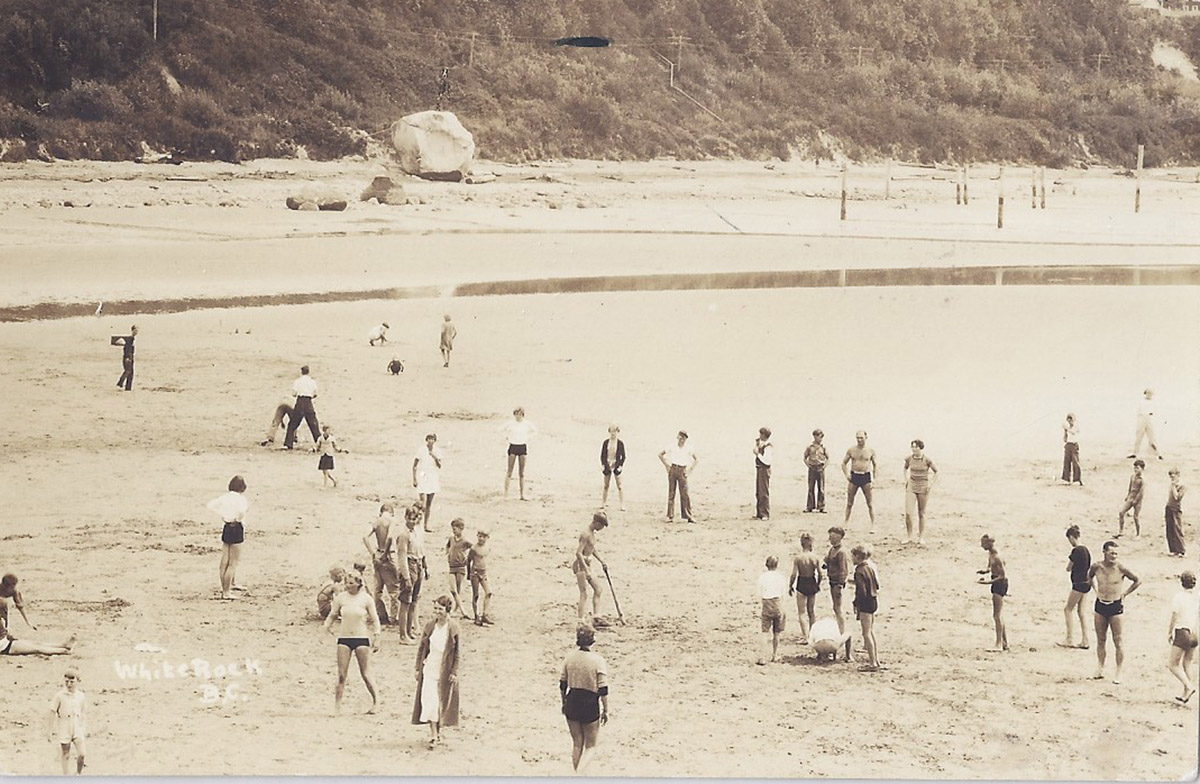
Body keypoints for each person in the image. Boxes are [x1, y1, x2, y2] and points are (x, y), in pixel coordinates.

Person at [322, 570, 381, 714]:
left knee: (365, 674)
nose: (348, 586)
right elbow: (332, 615)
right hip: (344, 638)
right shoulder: (341, 598)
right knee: (341, 675)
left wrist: (377, 636)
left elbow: (375, 619)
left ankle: (376, 702)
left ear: (358, 583)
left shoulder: (366, 599)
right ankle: (337, 707)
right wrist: (325, 629)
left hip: (361, 638)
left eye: (351, 583)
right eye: (346, 583)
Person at [1087, 540, 1142, 684]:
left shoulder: (1121, 568)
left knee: (1118, 640)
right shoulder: (1096, 566)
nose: (1114, 556)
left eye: (1116, 553)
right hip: (1100, 605)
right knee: (1100, 639)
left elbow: (1137, 580)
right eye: (1111, 553)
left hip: (1115, 606)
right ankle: (1100, 668)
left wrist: (1124, 594)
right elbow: (1089, 576)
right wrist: (1095, 590)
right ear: (1104, 552)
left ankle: (1119, 672)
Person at [413, 595, 461, 747]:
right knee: (430, 701)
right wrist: (417, 667)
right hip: (430, 667)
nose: (437, 612)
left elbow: (458, 652)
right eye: (435, 609)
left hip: (445, 668)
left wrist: (454, 671)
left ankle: (438, 731)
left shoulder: (453, 628)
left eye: (440, 609)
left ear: (447, 610)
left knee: (442, 701)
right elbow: (422, 648)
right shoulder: (430, 626)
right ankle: (433, 734)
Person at [560, 623, 609, 772]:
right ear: (592, 640)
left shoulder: (569, 658)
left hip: (572, 700)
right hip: (589, 703)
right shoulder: (597, 661)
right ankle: (578, 776)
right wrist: (606, 709)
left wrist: (564, 702)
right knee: (591, 746)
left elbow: (562, 684)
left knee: (576, 744)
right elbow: (603, 689)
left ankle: (577, 772)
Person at [208, 475, 249, 600]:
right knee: (233, 563)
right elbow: (242, 512)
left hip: (227, 526)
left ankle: (228, 586)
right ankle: (226, 592)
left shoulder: (225, 497)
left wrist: (224, 515)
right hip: (236, 527)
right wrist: (237, 518)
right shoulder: (242, 499)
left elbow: (211, 505)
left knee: (225, 561)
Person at [363, 504, 400, 625]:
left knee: (378, 589)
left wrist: (373, 554)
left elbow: (365, 537)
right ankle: (393, 617)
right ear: (392, 512)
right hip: (389, 555)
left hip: (378, 554)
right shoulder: (392, 521)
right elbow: (389, 537)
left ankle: (381, 614)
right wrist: (386, 553)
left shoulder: (377, 522)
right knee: (394, 589)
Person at [1167, 571, 1199, 704]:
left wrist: (1170, 632)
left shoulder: (1179, 597)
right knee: (1187, 663)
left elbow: (1175, 616)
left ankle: (1189, 686)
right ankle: (1185, 694)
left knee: (1173, 665)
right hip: (1194, 633)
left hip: (1182, 632)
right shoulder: (1196, 597)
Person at [48, 669, 87, 774]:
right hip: (65, 726)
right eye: (66, 682)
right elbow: (52, 712)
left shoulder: (81, 696)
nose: (69, 684)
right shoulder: (59, 696)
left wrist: (84, 728)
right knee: (66, 753)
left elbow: (82, 712)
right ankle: (66, 777)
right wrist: (50, 731)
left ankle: (79, 774)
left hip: (77, 726)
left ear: (78, 681)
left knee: (82, 753)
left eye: (72, 682)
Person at [822, 526, 852, 661]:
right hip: (832, 581)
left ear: (839, 537)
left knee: (838, 609)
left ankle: (842, 632)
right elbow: (827, 561)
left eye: (833, 537)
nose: (830, 539)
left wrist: (840, 584)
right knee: (836, 608)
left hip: (837, 583)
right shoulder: (833, 550)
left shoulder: (841, 552)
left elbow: (844, 570)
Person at [1059, 526, 1091, 650]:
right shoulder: (1086, 550)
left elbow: (1068, 567)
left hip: (1078, 584)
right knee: (1081, 612)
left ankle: (1070, 638)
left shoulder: (1076, 551)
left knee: (1068, 609)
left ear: (1072, 537)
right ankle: (1085, 639)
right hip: (1086, 583)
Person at [976, 534, 1009, 652]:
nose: (981, 545)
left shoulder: (997, 557)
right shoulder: (991, 554)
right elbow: (991, 567)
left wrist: (988, 582)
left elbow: (1003, 576)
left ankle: (998, 644)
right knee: (998, 614)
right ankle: (1004, 642)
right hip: (997, 582)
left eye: (983, 543)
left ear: (989, 543)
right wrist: (984, 571)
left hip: (999, 584)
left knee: (997, 615)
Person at [574, 512, 609, 623]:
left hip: (587, 564)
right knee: (584, 593)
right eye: (602, 526)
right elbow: (578, 553)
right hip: (581, 566)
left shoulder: (591, 533)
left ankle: (596, 617)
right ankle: (580, 620)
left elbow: (592, 549)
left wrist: (601, 560)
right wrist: (586, 570)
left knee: (598, 589)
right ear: (596, 523)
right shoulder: (585, 534)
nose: (602, 528)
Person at [902, 439, 938, 545]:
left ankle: (921, 537)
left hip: (923, 486)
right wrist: (906, 480)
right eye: (912, 447)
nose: (913, 449)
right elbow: (905, 469)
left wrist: (930, 484)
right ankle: (909, 536)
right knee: (908, 513)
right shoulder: (909, 459)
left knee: (921, 512)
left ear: (920, 448)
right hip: (912, 485)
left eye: (915, 447)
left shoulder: (927, 460)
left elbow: (936, 472)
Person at [658, 430, 698, 523]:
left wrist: (690, 470)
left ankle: (688, 516)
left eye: (683, 438)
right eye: (680, 438)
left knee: (685, 494)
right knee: (671, 493)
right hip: (673, 468)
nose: (681, 440)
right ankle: (670, 516)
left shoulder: (689, 448)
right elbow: (660, 454)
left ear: (685, 439)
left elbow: (696, 459)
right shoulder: (672, 446)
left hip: (682, 470)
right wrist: (667, 466)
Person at [852, 544, 881, 671]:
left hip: (865, 603)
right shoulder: (870, 567)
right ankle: (876, 660)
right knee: (871, 631)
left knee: (866, 633)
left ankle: (872, 663)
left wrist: (856, 603)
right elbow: (877, 585)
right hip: (873, 600)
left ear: (858, 557)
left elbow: (861, 592)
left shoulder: (859, 571)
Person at [842, 430, 878, 532]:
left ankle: (873, 525)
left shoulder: (870, 451)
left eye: (861, 438)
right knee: (849, 502)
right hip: (854, 476)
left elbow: (875, 465)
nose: (859, 440)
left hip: (866, 477)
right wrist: (847, 475)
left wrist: (874, 479)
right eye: (857, 438)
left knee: (870, 503)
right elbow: (843, 463)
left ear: (866, 438)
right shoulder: (851, 450)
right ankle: (846, 522)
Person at [789, 533, 822, 644]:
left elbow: (794, 574)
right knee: (811, 611)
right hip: (811, 581)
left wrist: (790, 585)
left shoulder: (798, 558)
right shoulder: (815, 557)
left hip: (802, 582)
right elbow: (820, 573)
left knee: (801, 612)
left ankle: (805, 636)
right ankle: (813, 635)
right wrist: (818, 583)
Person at [401, 507, 428, 640]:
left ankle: (408, 630)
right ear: (405, 518)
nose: (412, 521)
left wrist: (424, 566)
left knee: (414, 601)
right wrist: (406, 577)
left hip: (418, 564)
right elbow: (402, 556)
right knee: (406, 601)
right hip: (409, 564)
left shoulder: (416, 532)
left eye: (414, 519)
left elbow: (421, 551)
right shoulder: (404, 535)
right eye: (409, 518)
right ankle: (402, 635)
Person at [757, 556, 788, 665]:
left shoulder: (762, 577)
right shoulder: (780, 577)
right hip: (777, 602)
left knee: (765, 631)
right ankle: (775, 655)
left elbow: (759, 593)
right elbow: (783, 593)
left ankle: (762, 657)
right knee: (777, 632)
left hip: (766, 602)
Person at [283, 365, 321, 450]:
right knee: (313, 424)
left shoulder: (297, 381)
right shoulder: (312, 382)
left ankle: (288, 443)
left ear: (301, 372)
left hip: (300, 402)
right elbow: (315, 394)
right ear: (308, 372)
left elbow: (294, 393)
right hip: (308, 402)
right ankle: (320, 443)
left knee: (293, 424)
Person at [502, 407, 536, 500]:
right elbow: (500, 429)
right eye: (516, 414)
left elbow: (535, 431)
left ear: (522, 415)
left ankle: (522, 495)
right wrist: (507, 437)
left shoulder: (526, 423)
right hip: (513, 446)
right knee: (509, 471)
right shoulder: (511, 423)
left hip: (522, 447)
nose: (518, 416)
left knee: (521, 473)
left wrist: (528, 438)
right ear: (514, 414)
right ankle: (506, 494)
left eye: (520, 414)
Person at [413, 434, 443, 532]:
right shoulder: (421, 450)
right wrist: (414, 479)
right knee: (422, 503)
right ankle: (417, 523)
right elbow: (414, 465)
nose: (431, 441)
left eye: (433, 439)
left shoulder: (437, 451)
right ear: (426, 440)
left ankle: (425, 525)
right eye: (429, 439)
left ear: (435, 440)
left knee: (429, 503)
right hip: (423, 476)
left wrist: (434, 457)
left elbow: (439, 466)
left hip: (433, 477)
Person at [445, 518, 473, 619]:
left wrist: (467, 556)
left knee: (458, 588)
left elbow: (473, 547)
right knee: (453, 589)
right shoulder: (451, 539)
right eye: (452, 529)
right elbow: (447, 546)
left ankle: (457, 609)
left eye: (455, 529)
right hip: (452, 567)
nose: (453, 531)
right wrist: (448, 553)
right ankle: (463, 611)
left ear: (461, 529)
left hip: (461, 567)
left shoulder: (465, 540)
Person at [467, 529, 493, 625]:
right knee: (476, 595)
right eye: (479, 536)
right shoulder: (474, 548)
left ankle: (485, 615)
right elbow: (468, 560)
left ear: (487, 538)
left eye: (483, 537)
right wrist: (469, 573)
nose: (481, 538)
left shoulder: (487, 547)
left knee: (489, 592)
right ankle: (476, 616)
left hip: (484, 572)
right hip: (475, 573)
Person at [1129, 388, 1162, 460]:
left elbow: (1156, 412)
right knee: (1138, 437)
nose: (1149, 394)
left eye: (1150, 393)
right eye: (1148, 393)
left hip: (1150, 419)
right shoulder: (1141, 401)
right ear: (1145, 393)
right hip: (1142, 418)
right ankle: (1135, 453)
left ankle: (1158, 454)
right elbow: (1138, 411)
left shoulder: (1154, 402)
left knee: (1152, 438)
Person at [600, 425, 626, 511]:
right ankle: (603, 503)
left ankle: (622, 504)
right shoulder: (606, 442)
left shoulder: (620, 443)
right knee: (606, 486)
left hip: (616, 465)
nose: (613, 433)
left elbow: (623, 456)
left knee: (620, 486)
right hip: (608, 465)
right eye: (611, 431)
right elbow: (602, 455)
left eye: (615, 431)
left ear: (617, 432)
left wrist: (620, 466)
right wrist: (604, 465)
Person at [1118, 460, 1146, 539]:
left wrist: (1136, 500)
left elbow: (1141, 492)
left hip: (1137, 500)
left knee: (1136, 517)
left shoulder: (1142, 480)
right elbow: (1130, 487)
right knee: (1121, 513)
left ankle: (1138, 534)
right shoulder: (1132, 476)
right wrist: (1127, 496)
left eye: (1137, 468)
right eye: (1135, 468)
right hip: (1131, 497)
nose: (1135, 470)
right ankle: (1121, 531)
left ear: (1142, 469)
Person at [804, 429, 828, 513]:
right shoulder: (810, 447)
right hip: (812, 468)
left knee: (821, 488)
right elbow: (805, 457)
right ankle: (810, 506)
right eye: (819, 437)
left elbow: (827, 458)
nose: (820, 439)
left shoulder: (823, 447)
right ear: (814, 436)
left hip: (820, 468)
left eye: (821, 437)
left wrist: (824, 466)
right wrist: (808, 465)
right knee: (811, 487)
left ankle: (821, 506)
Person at [753, 427, 773, 520]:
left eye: (761, 434)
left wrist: (758, 454)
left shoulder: (768, 447)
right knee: (759, 492)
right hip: (759, 469)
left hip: (764, 470)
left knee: (764, 492)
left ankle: (765, 513)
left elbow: (767, 461)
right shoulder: (762, 445)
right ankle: (759, 513)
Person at [1166, 468, 1187, 557]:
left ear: (1178, 476)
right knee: (1170, 529)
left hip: (1176, 509)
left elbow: (1177, 497)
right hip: (1169, 508)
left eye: (1173, 476)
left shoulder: (1182, 487)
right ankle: (1174, 550)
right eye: (1171, 477)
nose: (1172, 478)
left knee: (1177, 529)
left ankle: (1181, 550)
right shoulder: (1171, 485)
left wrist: (1174, 486)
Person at [111, 324, 137, 391]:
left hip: (130, 357)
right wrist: (127, 357)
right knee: (128, 371)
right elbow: (126, 349)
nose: (136, 332)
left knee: (130, 372)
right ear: (132, 330)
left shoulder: (132, 339)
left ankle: (128, 387)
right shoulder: (130, 339)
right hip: (128, 357)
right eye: (135, 330)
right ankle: (120, 383)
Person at [1061, 413, 1082, 485]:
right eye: (1068, 420)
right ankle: (1066, 479)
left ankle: (1077, 479)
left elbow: (1073, 432)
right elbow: (1064, 439)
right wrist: (1065, 431)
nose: (1070, 422)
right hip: (1068, 445)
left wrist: (1067, 429)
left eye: (1071, 420)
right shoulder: (1068, 428)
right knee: (1066, 462)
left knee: (1075, 462)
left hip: (1074, 445)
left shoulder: (1076, 426)